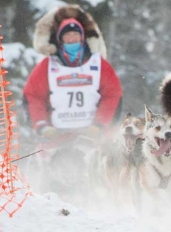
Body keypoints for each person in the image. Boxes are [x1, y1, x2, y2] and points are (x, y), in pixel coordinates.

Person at [23, 5, 122, 141]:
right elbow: (33, 97)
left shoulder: (98, 64)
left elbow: (112, 95)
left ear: (82, 37)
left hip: (91, 137)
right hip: (56, 136)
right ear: (60, 39)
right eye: (67, 35)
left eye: (75, 34)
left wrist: (100, 124)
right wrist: (42, 126)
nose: (72, 38)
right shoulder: (47, 65)